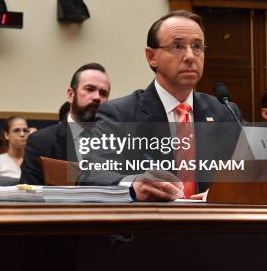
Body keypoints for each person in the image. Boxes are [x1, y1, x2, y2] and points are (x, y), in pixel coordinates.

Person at [80, 10, 242, 201]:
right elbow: (90, 175)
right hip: (149, 225)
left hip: (215, 225)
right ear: (151, 57)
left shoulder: (224, 112)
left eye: (197, 47)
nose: (190, 56)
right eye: (177, 46)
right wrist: (132, 186)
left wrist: (222, 193)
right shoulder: (120, 114)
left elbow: (253, 173)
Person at [20, 63, 111, 185]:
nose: (97, 97)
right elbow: (29, 195)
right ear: (71, 94)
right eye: (89, 89)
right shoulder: (40, 141)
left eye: (103, 93)